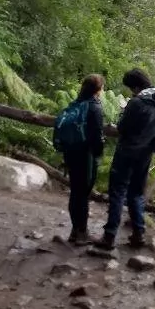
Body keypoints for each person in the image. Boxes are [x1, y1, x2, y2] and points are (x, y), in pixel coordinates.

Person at [96, 68, 155, 249]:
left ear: (137, 86)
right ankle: (138, 233)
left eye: (132, 89)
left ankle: (109, 236)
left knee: (117, 193)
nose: (132, 92)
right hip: (145, 154)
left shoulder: (137, 102)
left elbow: (122, 128)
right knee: (136, 193)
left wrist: (125, 109)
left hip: (126, 152)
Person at [62, 74, 106, 245]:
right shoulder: (95, 107)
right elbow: (97, 136)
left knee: (75, 192)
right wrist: (98, 153)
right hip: (86, 156)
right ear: (98, 90)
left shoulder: (76, 103)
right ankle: (82, 233)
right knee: (83, 194)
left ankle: (75, 230)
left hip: (71, 153)